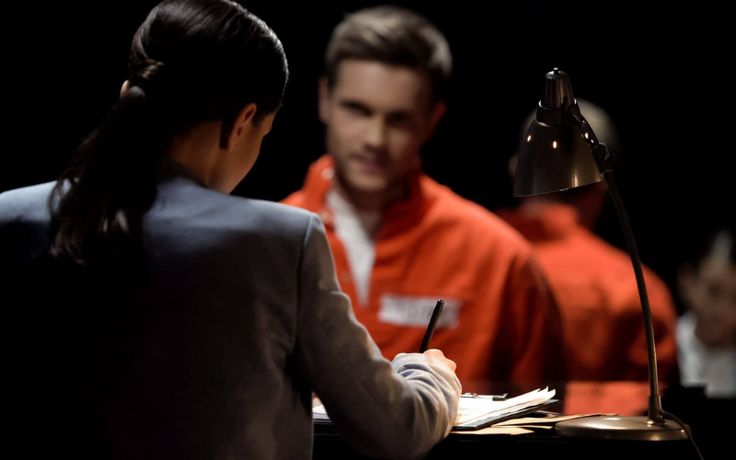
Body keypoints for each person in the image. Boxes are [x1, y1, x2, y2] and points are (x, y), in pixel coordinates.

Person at [0, 1, 461, 459]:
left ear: (127, 94)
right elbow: (396, 428)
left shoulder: (10, 216)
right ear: (243, 122)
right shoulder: (281, 241)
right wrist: (429, 374)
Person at [283, 5, 566, 394]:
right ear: (324, 99)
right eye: (358, 110)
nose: (375, 139)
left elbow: (540, 417)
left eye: (398, 119)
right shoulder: (266, 241)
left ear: (431, 120)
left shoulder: (498, 258)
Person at [499, 99, 679, 413]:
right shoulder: (638, 288)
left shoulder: (463, 259)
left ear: (517, 169)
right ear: (602, 184)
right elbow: (656, 417)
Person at [677, 228, 736, 397]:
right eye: (713, 291)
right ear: (688, 282)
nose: (722, 311)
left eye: (735, 299)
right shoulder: (661, 345)